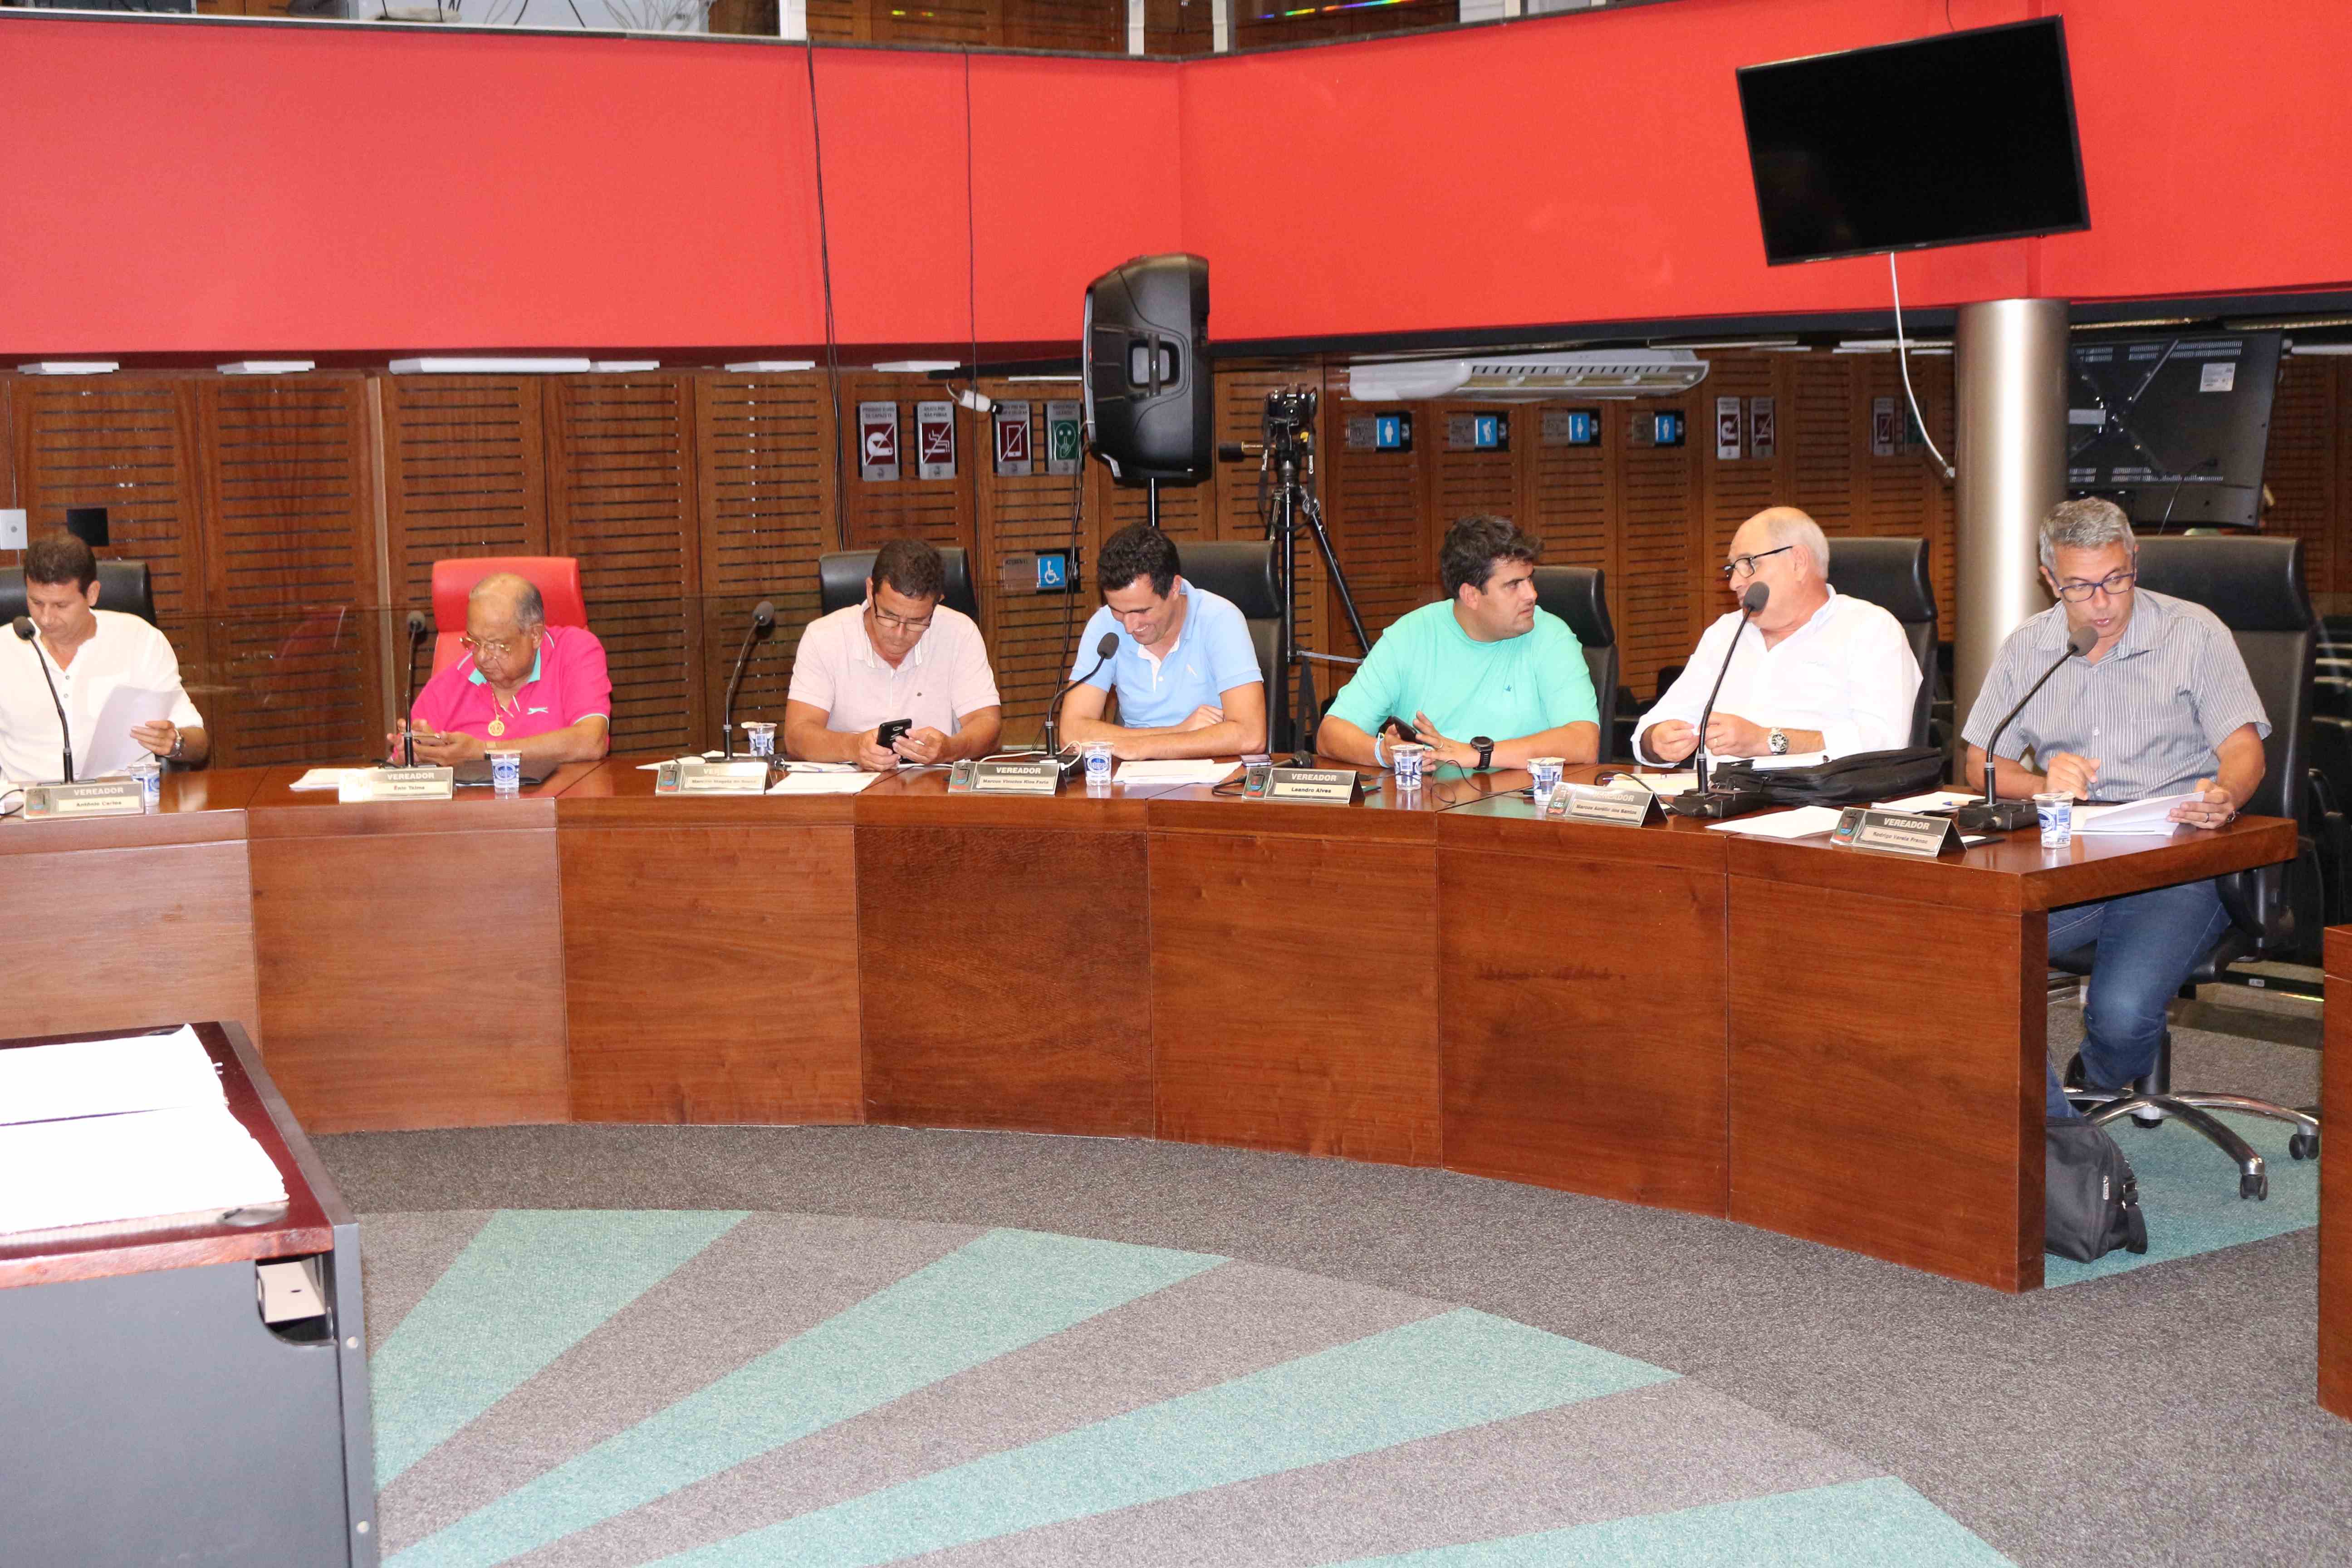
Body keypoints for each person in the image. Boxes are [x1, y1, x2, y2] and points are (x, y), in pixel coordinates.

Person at [1960, 497, 2269, 1121]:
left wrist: (2224, 796)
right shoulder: (2029, 646)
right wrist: (2042, 781)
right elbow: (1981, 764)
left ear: (2135, 561)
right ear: (2050, 579)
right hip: (2069, 859)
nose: (2101, 603)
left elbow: (2245, 751)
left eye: (2115, 580)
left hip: (2176, 861)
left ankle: (2091, 1084)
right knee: (1964, 951)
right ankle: (2039, 1120)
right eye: (2080, 587)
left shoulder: (2193, 633)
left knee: (2122, 1014)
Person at [1635, 507, 1920, 766]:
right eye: (1732, 569)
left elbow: (1884, 743)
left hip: (1822, 801)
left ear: (1798, 562)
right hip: (1721, 798)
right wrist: (1657, 741)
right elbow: (1645, 735)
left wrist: (1767, 741)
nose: (1735, 582)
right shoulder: (1725, 633)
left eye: (1748, 564)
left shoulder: (1870, 629)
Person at [1318, 515, 1597, 770]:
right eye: (1514, 585)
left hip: (1520, 804)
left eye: (1529, 579)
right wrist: (1383, 753)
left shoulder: (1551, 637)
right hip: (1428, 801)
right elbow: (1330, 734)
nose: (1531, 594)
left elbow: (1584, 742)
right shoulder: (1410, 636)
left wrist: (1476, 755)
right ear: (1471, 596)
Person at [1, 533, 208, 782]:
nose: (45, 618)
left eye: (61, 606)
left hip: (122, 799)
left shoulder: (140, 640)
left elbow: (199, 743)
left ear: (92, 594)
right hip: (25, 802)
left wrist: (174, 743)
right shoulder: (5, 647)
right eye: (36, 602)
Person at [784, 539, 1002, 770]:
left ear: (937, 603)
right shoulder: (824, 637)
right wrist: (853, 747)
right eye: (889, 616)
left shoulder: (960, 632)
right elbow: (797, 736)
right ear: (871, 592)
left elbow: (988, 725)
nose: (900, 634)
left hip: (934, 784)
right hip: (849, 785)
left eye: (917, 621)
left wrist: (951, 749)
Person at [1058, 523, 1267, 760]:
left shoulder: (1220, 619)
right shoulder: (1105, 624)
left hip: (1213, 776)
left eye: (1142, 611)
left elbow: (1251, 735)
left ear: (1175, 588)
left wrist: (1143, 748)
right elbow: (1071, 733)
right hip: (1133, 778)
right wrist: (1179, 731)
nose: (1129, 626)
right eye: (1118, 610)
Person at [394, 572, 612, 767]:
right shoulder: (449, 684)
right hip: (476, 801)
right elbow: (398, 763)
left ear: (535, 635)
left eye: (496, 645)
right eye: (474, 641)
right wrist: (420, 755)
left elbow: (592, 742)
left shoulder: (574, 651)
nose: (481, 657)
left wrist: (483, 752)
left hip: (561, 798)